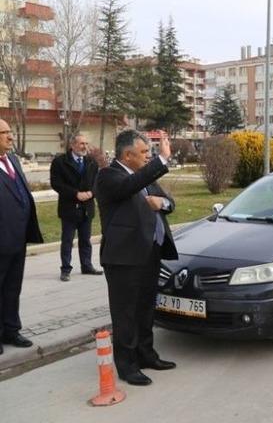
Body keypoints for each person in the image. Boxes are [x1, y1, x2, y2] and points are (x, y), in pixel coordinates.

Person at [94, 130, 178, 386]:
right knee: (125, 314)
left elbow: (169, 202)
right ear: (127, 155)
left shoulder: (144, 177)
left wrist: (160, 204)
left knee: (145, 309)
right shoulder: (109, 176)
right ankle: (127, 365)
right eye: (143, 153)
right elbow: (130, 186)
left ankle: (146, 354)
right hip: (124, 258)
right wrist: (162, 160)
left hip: (150, 252)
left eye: (150, 153)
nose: (147, 156)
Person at [0, 119, 43, 355]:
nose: (10, 136)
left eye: (10, 132)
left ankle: (11, 330)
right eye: (4, 133)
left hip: (18, 238)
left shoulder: (13, 160)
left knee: (12, 288)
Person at [50, 132, 101, 281]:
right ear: (72, 145)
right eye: (81, 144)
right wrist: (75, 194)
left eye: (86, 144)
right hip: (69, 208)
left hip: (87, 208)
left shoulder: (92, 162)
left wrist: (92, 193)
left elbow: (98, 182)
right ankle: (65, 269)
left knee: (86, 240)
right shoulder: (60, 162)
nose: (84, 147)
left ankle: (87, 266)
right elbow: (56, 183)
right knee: (67, 240)